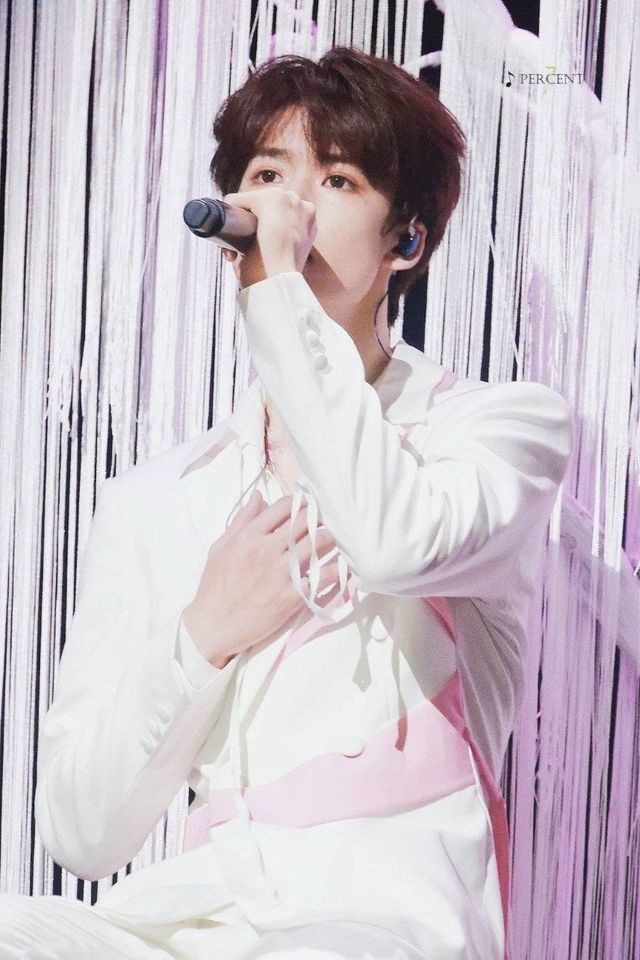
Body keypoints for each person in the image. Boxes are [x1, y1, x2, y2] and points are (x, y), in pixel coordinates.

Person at [1, 46, 573, 960]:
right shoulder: (156, 500)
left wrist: (279, 298)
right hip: (193, 921)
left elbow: (393, 543)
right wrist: (204, 632)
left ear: (406, 241)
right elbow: (77, 830)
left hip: (379, 925)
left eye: (336, 180)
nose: (290, 209)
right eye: (268, 176)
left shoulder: (495, 431)